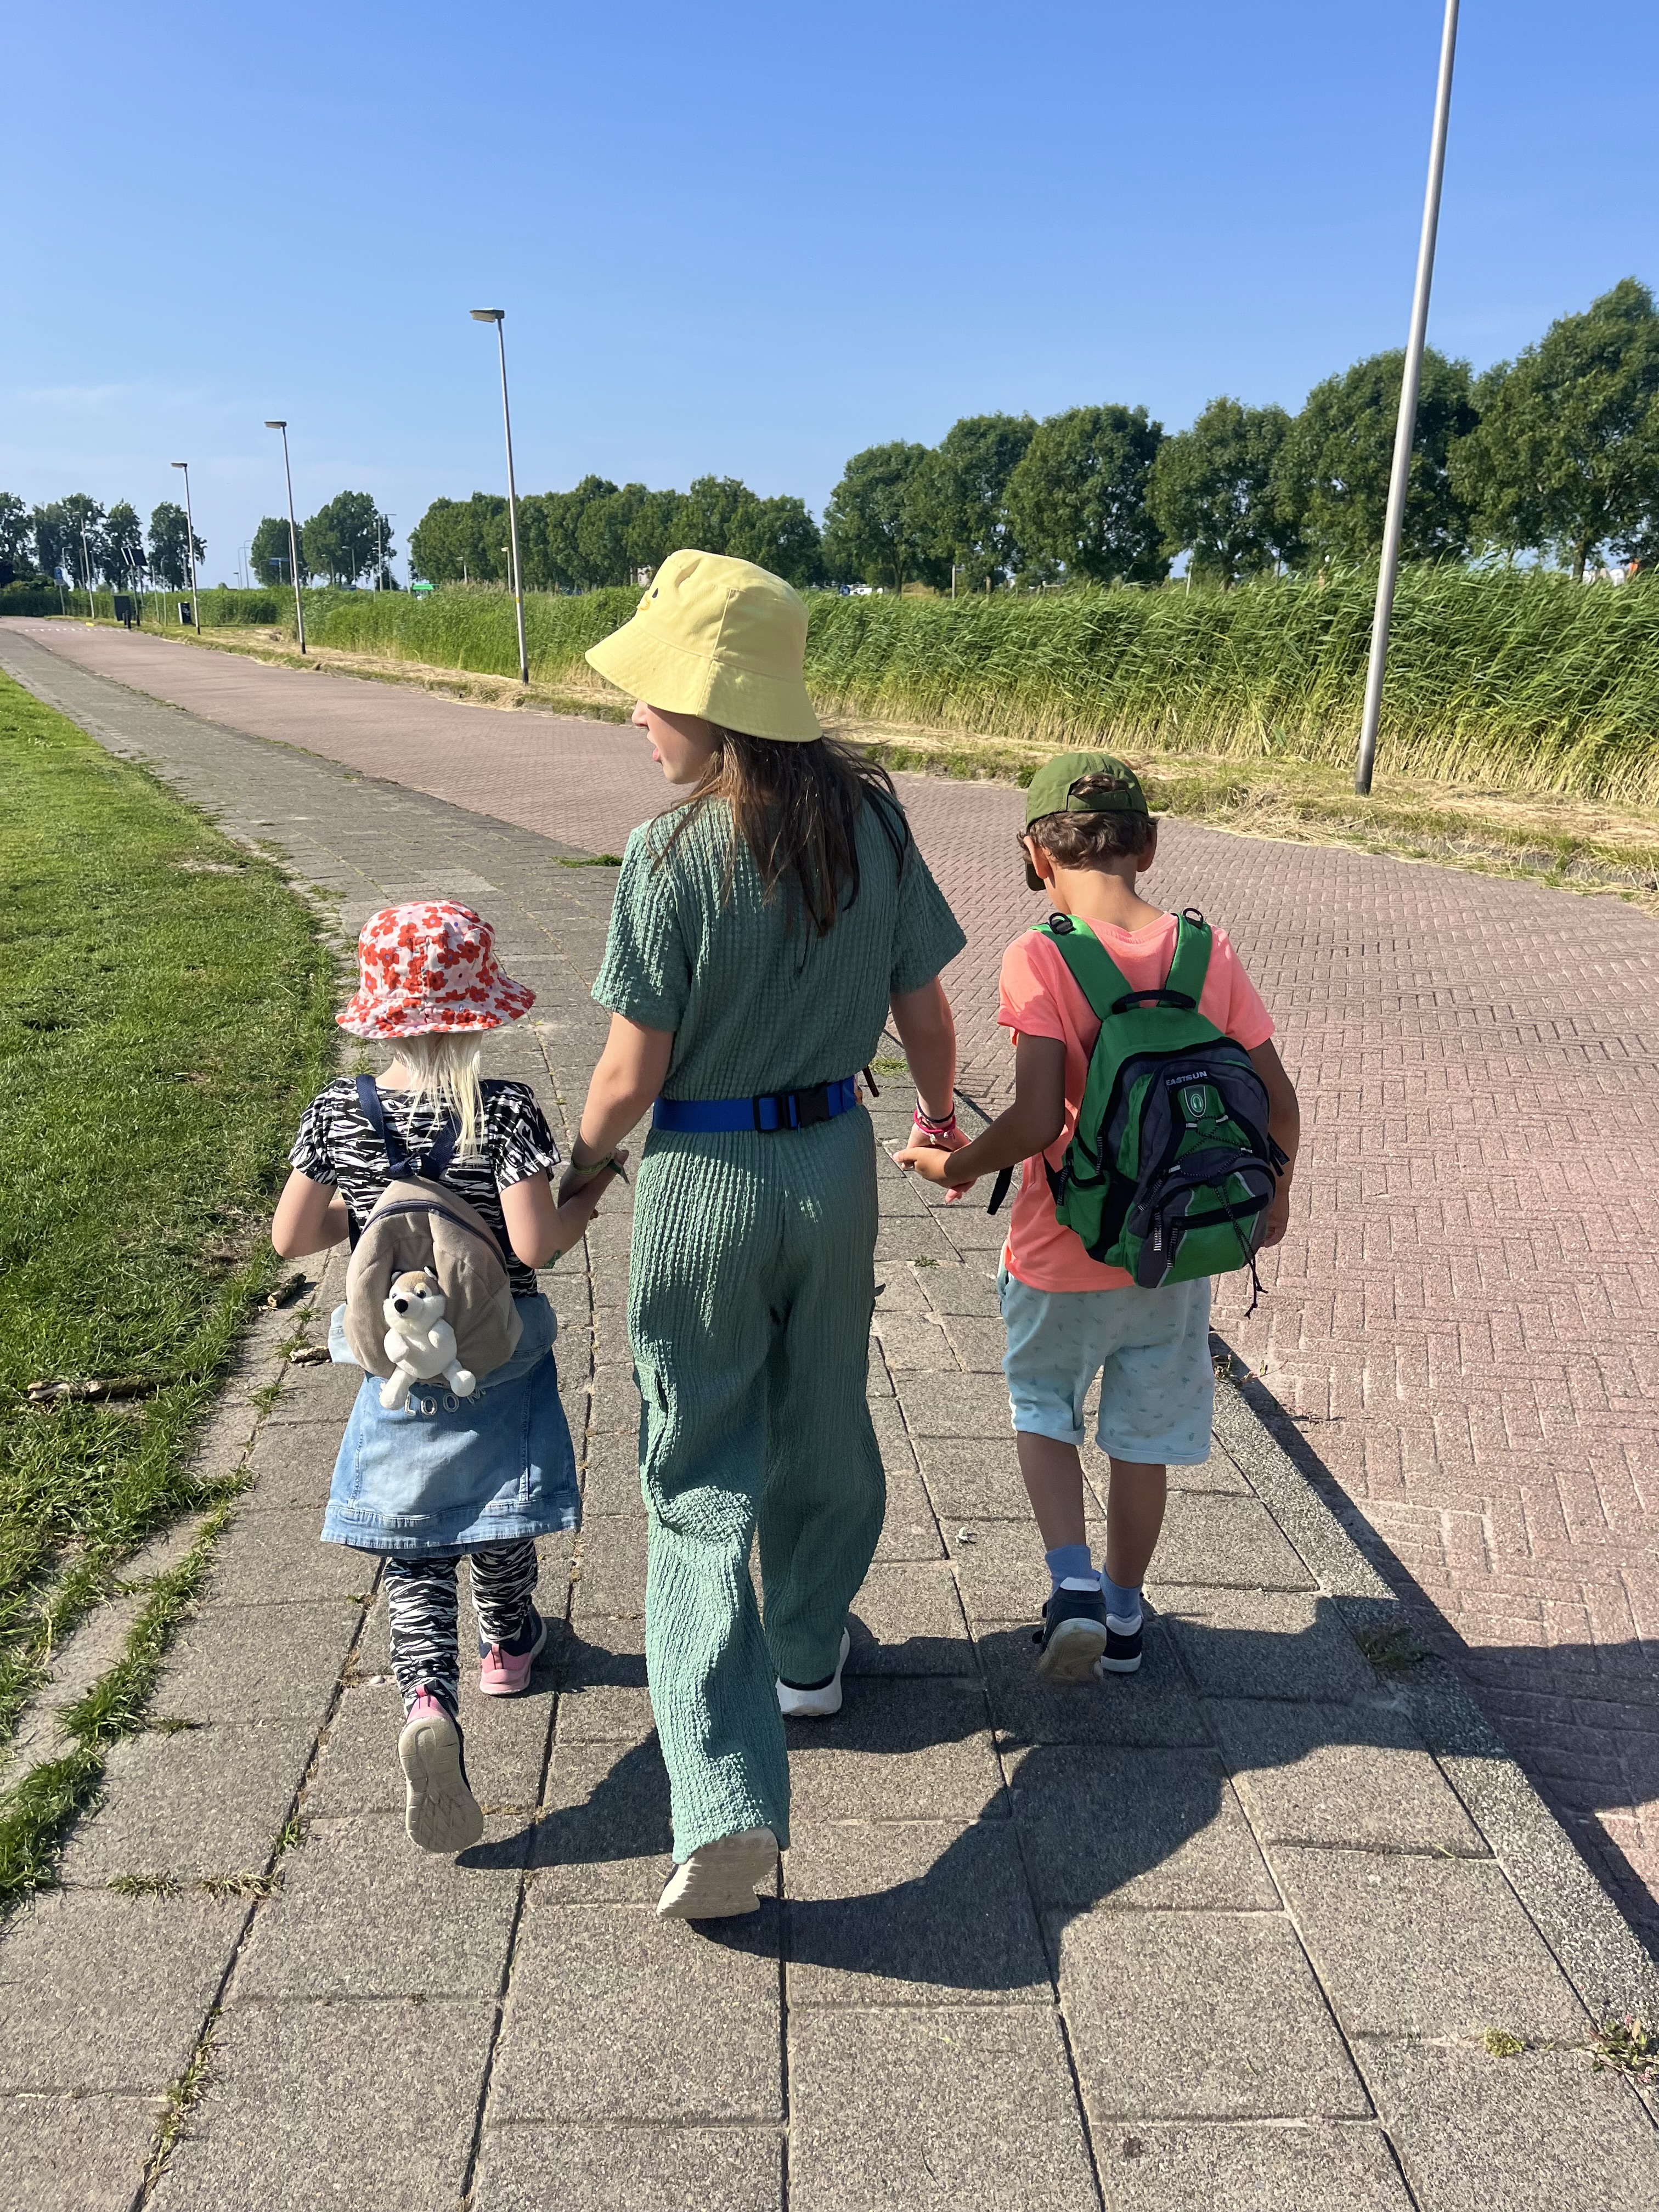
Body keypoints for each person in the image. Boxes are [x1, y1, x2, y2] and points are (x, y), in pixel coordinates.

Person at [566, 548, 967, 1921]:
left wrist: (576, 1172)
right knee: (823, 1411)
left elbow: (628, 1074)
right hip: (834, 1165)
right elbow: (924, 1009)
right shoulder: (874, 825)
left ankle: (724, 1798)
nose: (636, 715)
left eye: (651, 692)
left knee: (694, 1475)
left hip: (702, 1180)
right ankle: (807, 1652)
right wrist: (938, 1121)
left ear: (712, 703)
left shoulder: (668, 856)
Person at [897, 754, 1300, 1681]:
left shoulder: (1041, 955)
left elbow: (1038, 1119)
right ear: (1147, 847)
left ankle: (1071, 1581)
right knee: (1140, 1440)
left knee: (1044, 1408)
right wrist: (1273, 1197)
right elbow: (1279, 1103)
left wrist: (952, 1163)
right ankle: (1123, 1615)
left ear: (1036, 855)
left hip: (1060, 1245)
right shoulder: (1205, 950)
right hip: (1174, 1249)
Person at [271, 900, 622, 1852]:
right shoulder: (501, 1107)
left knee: (415, 1547)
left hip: (394, 1366)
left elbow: (292, 1236)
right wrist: (591, 1189)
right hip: (497, 1354)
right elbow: (536, 1244)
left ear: (378, 1015)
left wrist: (371, 1213)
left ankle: (427, 1696)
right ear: (479, 1014)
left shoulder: (339, 1111)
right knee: (498, 1510)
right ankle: (507, 1643)